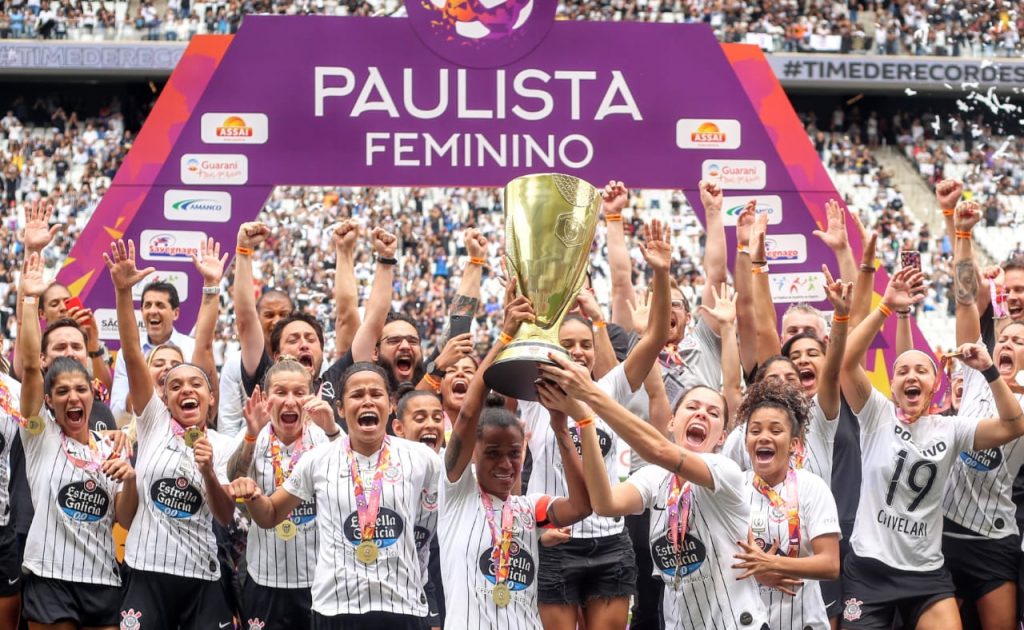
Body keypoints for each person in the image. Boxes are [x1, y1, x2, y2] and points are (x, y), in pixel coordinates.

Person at [839, 264, 1024, 630]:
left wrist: (989, 372)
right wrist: (887, 307)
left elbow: (1013, 424)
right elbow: (846, 363)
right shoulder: (876, 415)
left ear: (936, 385)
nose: (911, 375)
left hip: (927, 574)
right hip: (869, 571)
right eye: (902, 371)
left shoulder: (951, 429)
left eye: (922, 371)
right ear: (890, 386)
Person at [515, 219, 672, 630]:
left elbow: (654, 339)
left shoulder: (609, 392)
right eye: (568, 345)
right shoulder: (533, 395)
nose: (579, 353)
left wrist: (660, 272)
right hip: (554, 539)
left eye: (585, 345)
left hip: (610, 541)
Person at [541, 354, 769, 630]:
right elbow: (605, 504)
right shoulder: (655, 477)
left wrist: (590, 394)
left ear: (722, 436)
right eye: (692, 407)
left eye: (713, 413)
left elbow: (660, 450)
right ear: (673, 422)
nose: (701, 414)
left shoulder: (725, 471)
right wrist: (586, 422)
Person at [229, 362, 440, 630]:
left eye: (376, 394)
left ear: (390, 404)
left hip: (403, 605)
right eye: (356, 395)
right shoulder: (317, 460)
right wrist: (253, 496)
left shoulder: (421, 458)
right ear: (341, 407)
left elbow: (442, 509)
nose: (367, 402)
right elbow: (270, 514)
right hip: (336, 607)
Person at [105, 239, 238, 628]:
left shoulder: (224, 444)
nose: (185, 390)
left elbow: (226, 515)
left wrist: (211, 471)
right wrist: (122, 291)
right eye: (175, 385)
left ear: (211, 399)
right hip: (146, 571)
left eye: (196, 384)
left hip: (201, 577)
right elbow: (131, 353)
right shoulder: (153, 421)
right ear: (161, 394)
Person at [439, 290, 591, 630]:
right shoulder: (455, 495)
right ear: (474, 454)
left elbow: (581, 507)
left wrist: (561, 429)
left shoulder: (527, 509)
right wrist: (505, 336)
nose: (506, 464)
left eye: (514, 453)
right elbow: (466, 417)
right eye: (493, 454)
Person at [17, 250, 136, 630]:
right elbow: (33, 370)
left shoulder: (110, 447)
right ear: (49, 400)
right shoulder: (39, 434)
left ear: (93, 394)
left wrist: (130, 479)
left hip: (102, 578)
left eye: (80, 389)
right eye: (63, 391)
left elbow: (125, 516)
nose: (73, 397)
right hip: (49, 576)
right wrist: (30, 299)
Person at [940, 198, 1024, 630]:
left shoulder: (1017, 398)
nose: (1006, 344)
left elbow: (1013, 423)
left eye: (1019, 341)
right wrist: (964, 236)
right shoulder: (975, 374)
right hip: (942, 531)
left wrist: (992, 370)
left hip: (993, 537)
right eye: (1002, 340)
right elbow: (967, 300)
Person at [226, 358, 339, 630]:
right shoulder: (255, 434)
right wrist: (251, 436)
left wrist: (334, 430)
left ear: (311, 397)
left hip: (317, 579)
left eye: (299, 393)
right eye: (280, 392)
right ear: (265, 398)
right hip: (263, 577)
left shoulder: (325, 437)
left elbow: (352, 471)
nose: (290, 401)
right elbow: (234, 475)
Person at [733, 379, 841, 630]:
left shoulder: (813, 487)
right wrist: (758, 572)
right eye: (755, 430)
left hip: (803, 621)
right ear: (746, 440)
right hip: (745, 621)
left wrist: (773, 565)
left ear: (794, 444)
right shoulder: (734, 489)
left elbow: (830, 564)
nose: (764, 437)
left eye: (775, 430)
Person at [392, 388, 447, 629]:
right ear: (398, 429)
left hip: (421, 581)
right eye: (420, 418)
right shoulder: (383, 467)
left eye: (437, 418)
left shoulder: (452, 468)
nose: (431, 424)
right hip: (381, 585)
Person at [108, 277, 196, 420]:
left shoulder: (192, 348)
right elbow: (117, 413)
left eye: (160, 305)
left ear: (176, 313)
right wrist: (141, 377)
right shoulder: (126, 355)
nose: (153, 311)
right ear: (141, 311)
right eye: (148, 305)